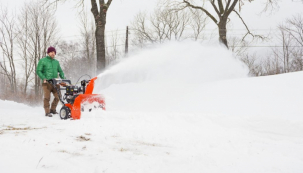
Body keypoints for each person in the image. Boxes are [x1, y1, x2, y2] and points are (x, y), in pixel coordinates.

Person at [37, 46, 65, 117]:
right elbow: (38, 71)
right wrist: (43, 78)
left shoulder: (56, 62)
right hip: (46, 83)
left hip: (55, 82)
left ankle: (53, 109)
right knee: (47, 98)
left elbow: (60, 71)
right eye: (51, 52)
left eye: (54, 52)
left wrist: (64, 79)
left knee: (58, 97)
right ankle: (47, 112)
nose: (53, 53)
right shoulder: (43, 60)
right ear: (48, 53)